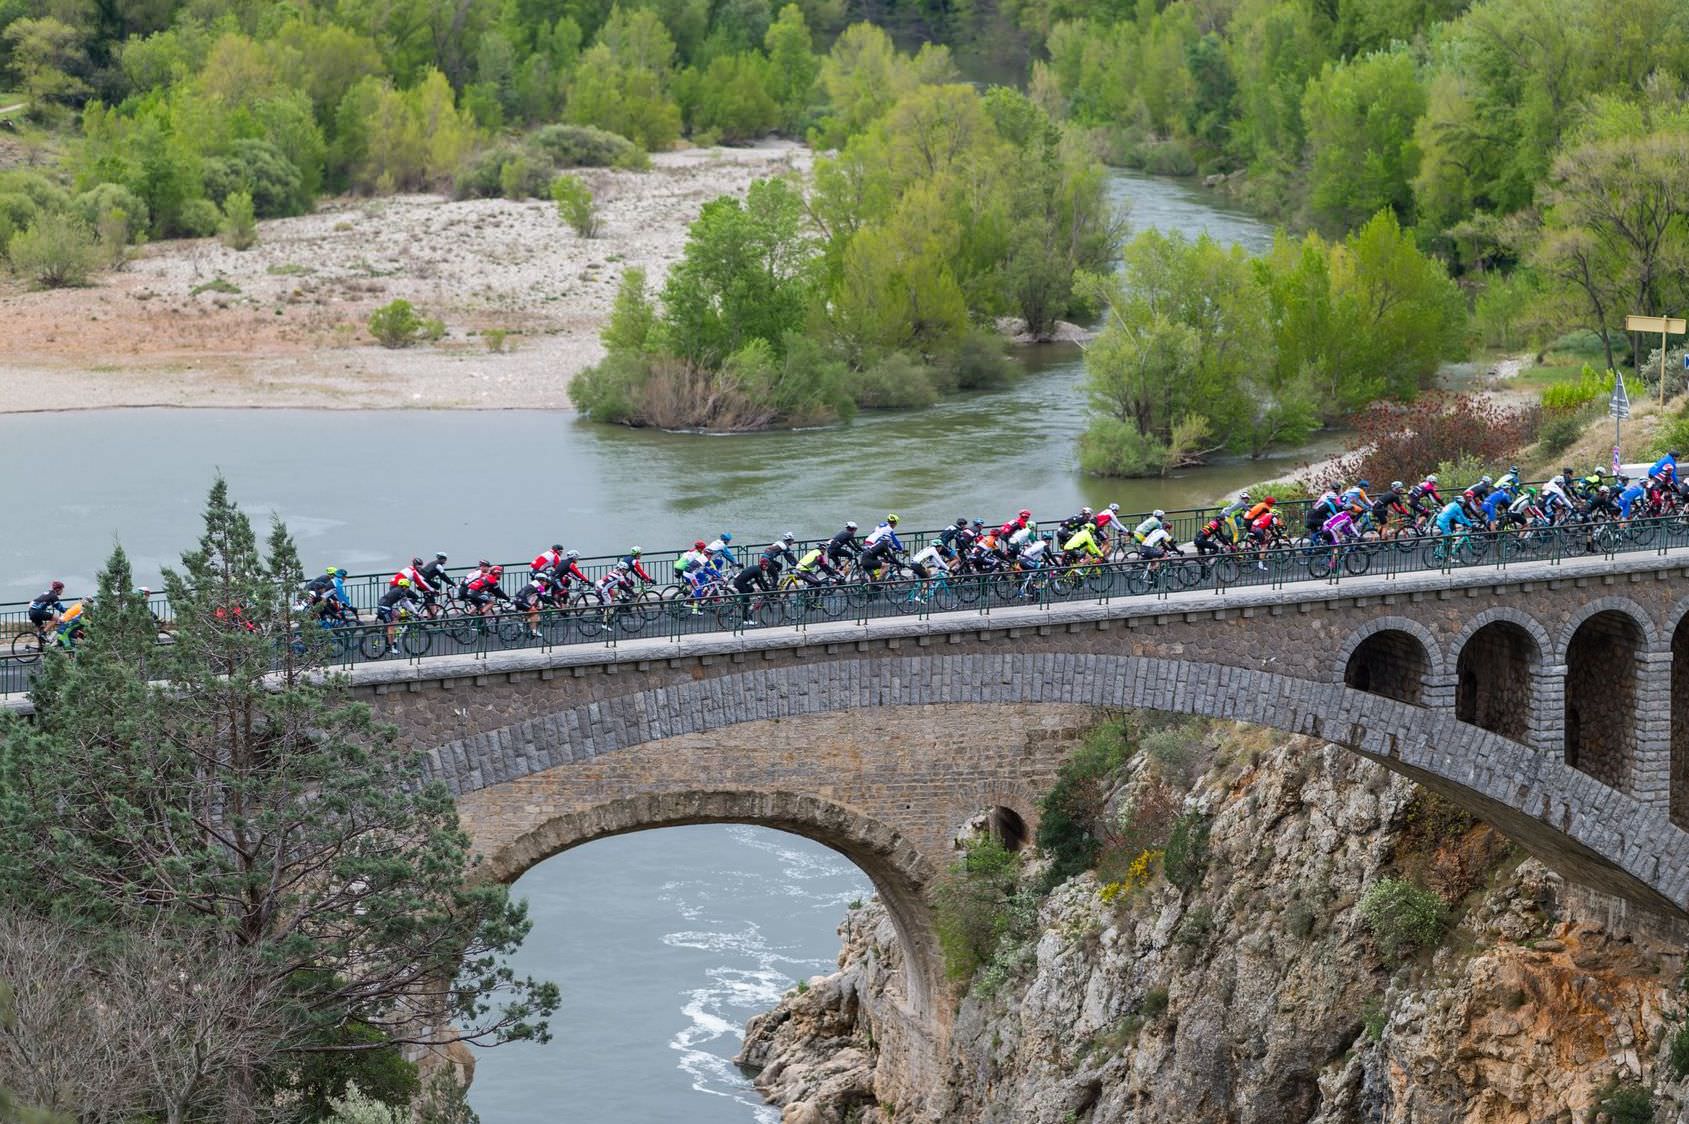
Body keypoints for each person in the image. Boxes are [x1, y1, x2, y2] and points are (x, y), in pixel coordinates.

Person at [375, 578, 421, 653]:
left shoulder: (397, 589)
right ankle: (390, 648)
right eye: (408, 587)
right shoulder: (401, 592)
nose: (408, 590)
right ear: (404, 587)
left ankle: (392, 634)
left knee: (398, 614)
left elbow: (404, 603)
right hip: (384, 609)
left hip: (386, 607)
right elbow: (408, 603)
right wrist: (416, 613)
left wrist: (410, 609)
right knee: (391, 627)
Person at [513, 572, 555, 638]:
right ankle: (534, 631)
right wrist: (554, 603)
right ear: (541, 580)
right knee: (535, 612)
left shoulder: (534, 583)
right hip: (521, 601)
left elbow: (541, 597)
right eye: (546, 581)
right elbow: (544, 598)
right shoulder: (539, 586)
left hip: (519, 599)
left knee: (531, 611)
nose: (546, 583)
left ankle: (522, 622)